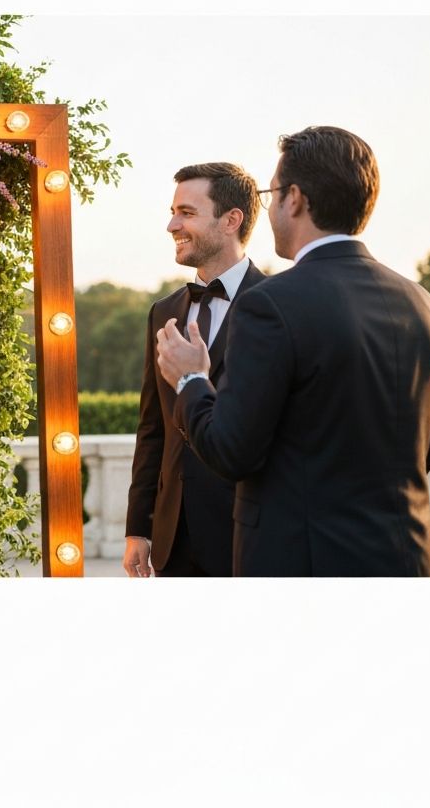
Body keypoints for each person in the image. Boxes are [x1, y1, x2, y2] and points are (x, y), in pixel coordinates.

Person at [157, 126, 430, 577]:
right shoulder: (423, 304)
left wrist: (191, 379)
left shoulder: (269, 304)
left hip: (305, 571)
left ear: (293, 198)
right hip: (410, 565)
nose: (270, 209)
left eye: (271, 194)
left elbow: (230, 452)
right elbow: (426, 452)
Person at [124, 163, 266, 578]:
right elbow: (153, 427)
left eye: (186, 213)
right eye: (173, 212)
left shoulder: (277, 306)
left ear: (231, 220)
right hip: (173, 537)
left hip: (245, 531)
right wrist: (138, 527)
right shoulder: (163, 311)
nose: (172, 225)